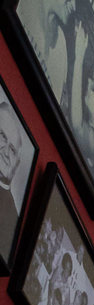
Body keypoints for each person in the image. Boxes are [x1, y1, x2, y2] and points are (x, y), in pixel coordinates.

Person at [0, 100, 26, 252]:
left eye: (12, 149)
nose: (5, 151)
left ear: (16, 163)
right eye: (2, 136)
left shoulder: (11, 224)